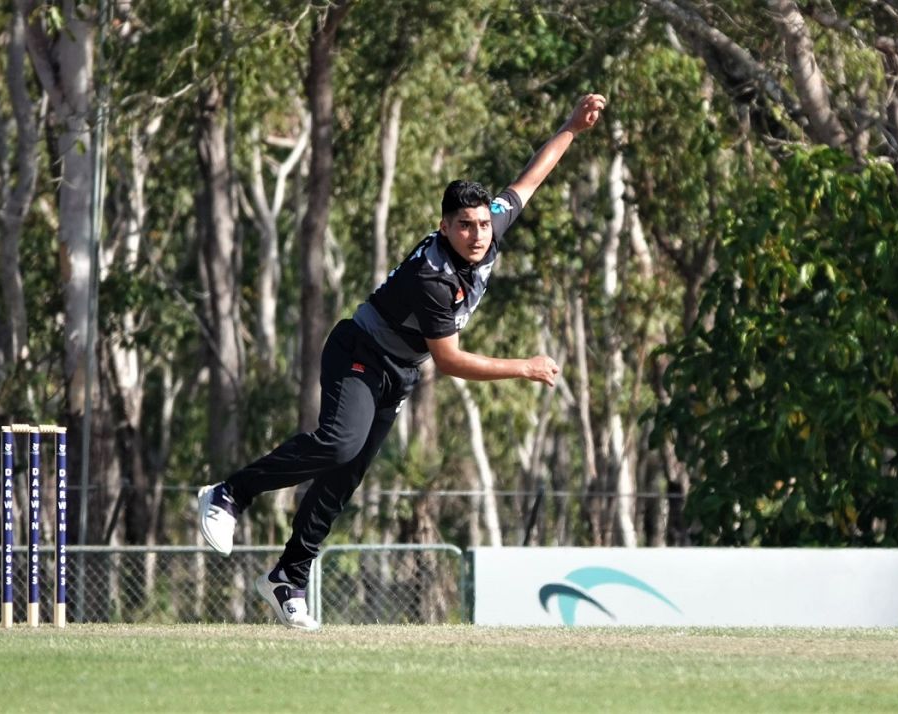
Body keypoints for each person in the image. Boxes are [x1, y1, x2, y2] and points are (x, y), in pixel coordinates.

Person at [198, 93, 608, 630]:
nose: (478, 234)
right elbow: (452, 360)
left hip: (397, 373)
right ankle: (229, 493)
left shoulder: (491, 228)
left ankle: (287, 579)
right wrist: (524, 367)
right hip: (358, 352)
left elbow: (532, 177)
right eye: (464, 226)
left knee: (344, 479)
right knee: (339, 443)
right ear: (444, 227)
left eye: (483, 224)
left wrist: (572, 126)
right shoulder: (432, 277)